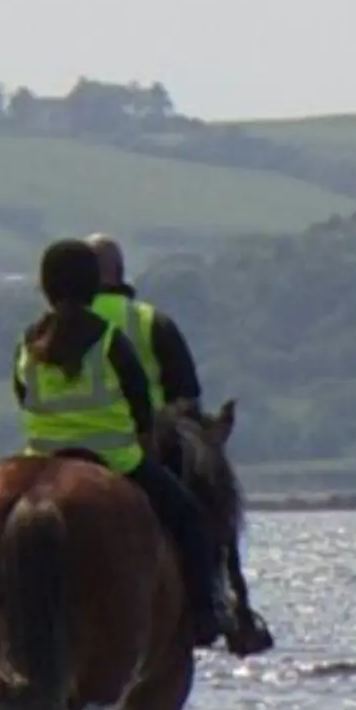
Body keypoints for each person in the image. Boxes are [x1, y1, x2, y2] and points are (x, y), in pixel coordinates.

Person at [14, 238, 231, 647]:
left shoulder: (28, 340)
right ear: (92, 284)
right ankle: (206, 612)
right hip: (114, 456)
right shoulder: (110, 340)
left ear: (45, 286)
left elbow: (21, 396)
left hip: (39, 459)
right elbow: (140, 407)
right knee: (188, 516)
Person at [89, 235, 275, 656]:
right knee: (198, 516)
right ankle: (216, 611)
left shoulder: (44, 331)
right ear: (119, 273)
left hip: (54, 449)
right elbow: (186, 400)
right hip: (140, 448)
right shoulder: (149, 322)